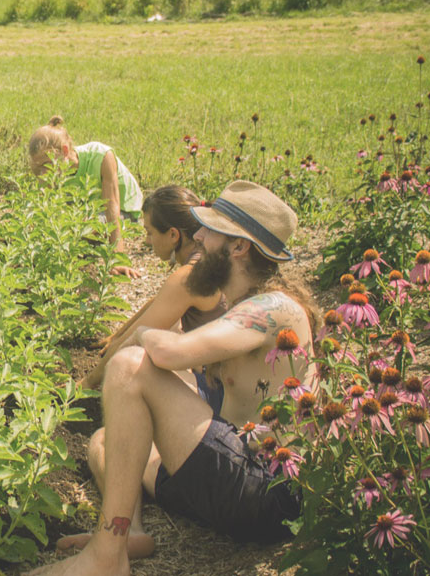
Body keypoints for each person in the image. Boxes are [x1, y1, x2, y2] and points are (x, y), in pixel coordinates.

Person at [30, 181, 318, 576]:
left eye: (210, 229)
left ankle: (106, 558)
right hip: (232, 480)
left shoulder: (274, 307)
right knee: (109, 441)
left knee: (130, 365)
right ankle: (130, 533)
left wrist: (143, 335)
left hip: (266, 492)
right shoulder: (246, 303)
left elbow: (165, 353)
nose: (197, 235)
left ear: (239, 246)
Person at [80, 185, 225, 390]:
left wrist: (87, 382)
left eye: (149, 232)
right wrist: (116, 337)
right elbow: (157, 304)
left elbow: (134, 339)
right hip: (228, 382)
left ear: (174, 235)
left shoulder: (189, 276)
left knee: (137, 361)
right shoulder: (209, 254)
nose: (147, 241)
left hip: (219, 393)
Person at [28, 116, 144, 278]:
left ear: (65, 151)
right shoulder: (51, 173)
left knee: (79, 231)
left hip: (123, 210)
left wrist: (118, 259)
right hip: (86, 211)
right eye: (38, 167)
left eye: (46, 165)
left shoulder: (101, 156)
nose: (43, 172)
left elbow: (112, 207)